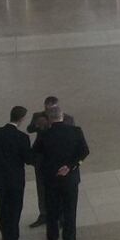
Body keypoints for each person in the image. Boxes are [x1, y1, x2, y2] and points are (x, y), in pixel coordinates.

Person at [32, 103, 89, 240]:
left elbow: (35, 152)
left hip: (51, 179)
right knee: (70, 209)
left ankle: (52, 238)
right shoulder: (76, 131)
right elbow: (84, 152)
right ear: (62, 116)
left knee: (52, 210)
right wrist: (70, 166)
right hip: (70, 179)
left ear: (50, 119)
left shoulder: (45, 135)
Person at [0, 106, 33, 240]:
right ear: (22, 119)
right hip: (15, 180)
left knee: (2, 207)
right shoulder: (22, 138)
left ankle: (5, 235)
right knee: (14, 210)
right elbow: (28, 159)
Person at [25, 96, 75, 228]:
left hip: (59, 159)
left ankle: (61, 216)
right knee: (41, 188)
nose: (48, 112)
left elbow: (71, 137)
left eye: (51, 109)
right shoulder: (38, 116)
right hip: (42, 159)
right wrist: (37, 125)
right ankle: (44, 214)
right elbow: (29, 129)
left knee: (61, 188)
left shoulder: (68, 119)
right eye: (46, 109)